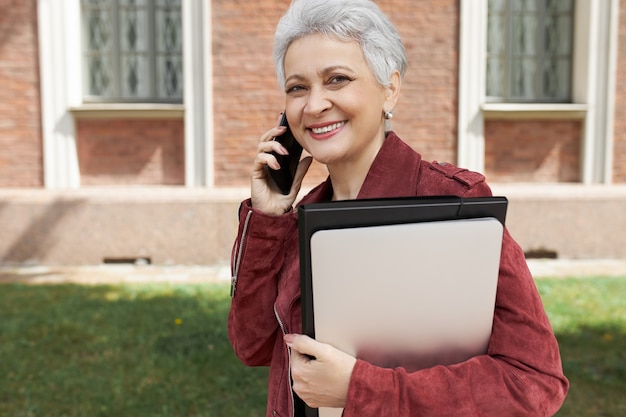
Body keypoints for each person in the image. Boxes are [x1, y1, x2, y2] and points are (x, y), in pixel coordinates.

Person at [228, 0, 569, 415]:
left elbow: (533, 383)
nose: (314, 105)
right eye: (297, 87)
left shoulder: (454, 202)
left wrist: (360, 389)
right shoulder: (296, 219)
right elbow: (254, 345)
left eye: (337, 79)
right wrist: (267, 220)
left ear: (390, 88)